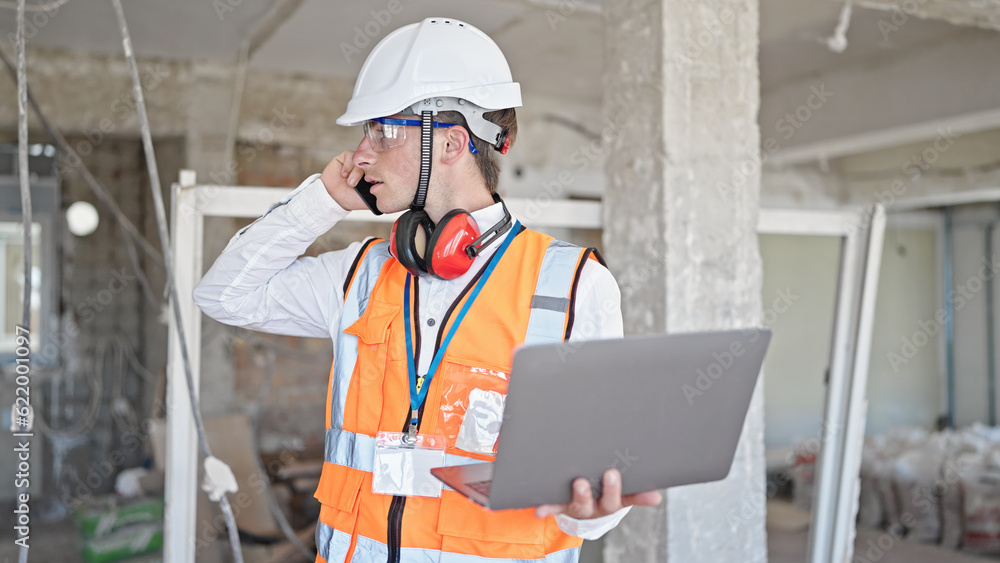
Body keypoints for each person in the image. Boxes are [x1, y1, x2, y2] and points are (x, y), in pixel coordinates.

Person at [194, 17, 661, 563]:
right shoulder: (363, 273)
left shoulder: (571, 286)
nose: (361, 154)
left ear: (452, 142)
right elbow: (225, 295)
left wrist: (592, 510)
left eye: (382, 131)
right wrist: (320, 200)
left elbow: (600, 484)